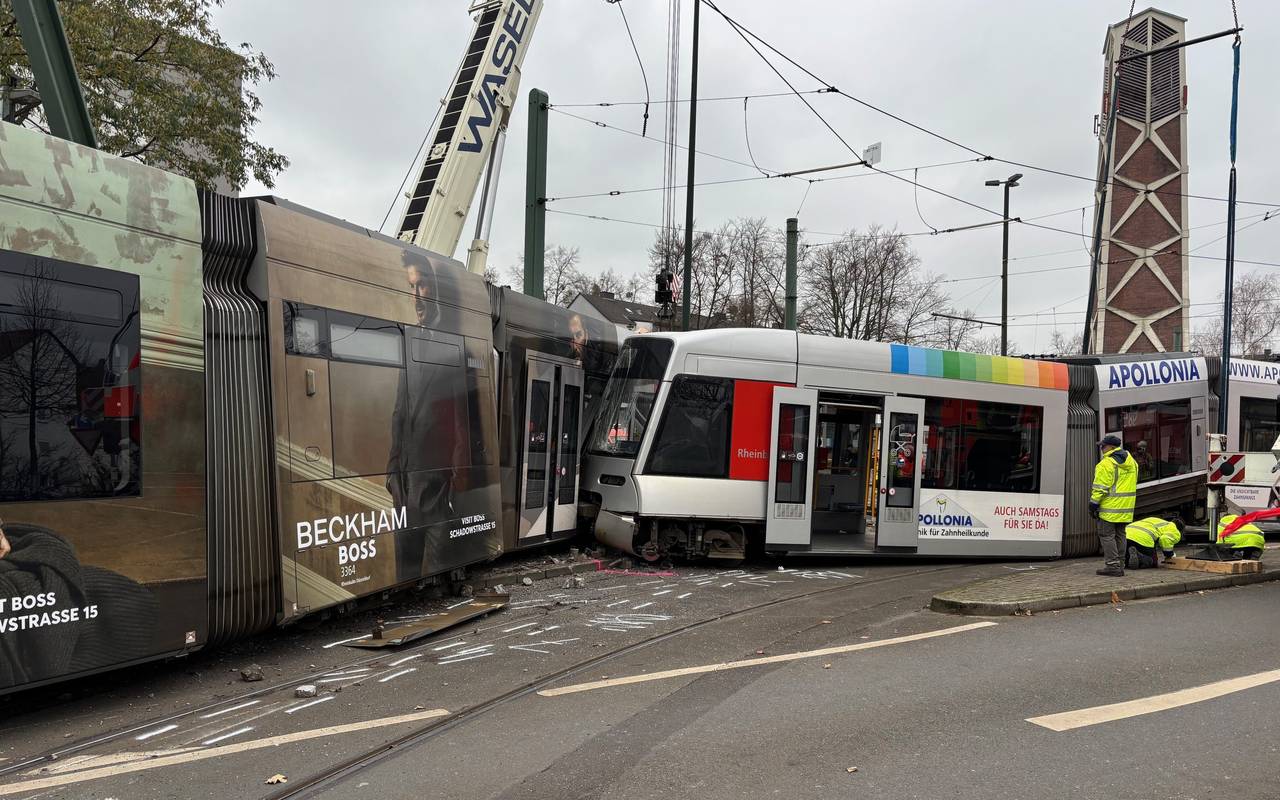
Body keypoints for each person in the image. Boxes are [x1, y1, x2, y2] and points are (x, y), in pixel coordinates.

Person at [1090, 433, 1138, 576]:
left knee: (1106, 535)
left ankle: (1112, 565)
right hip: (1126, 508)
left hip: (1109, 508)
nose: (1101, 449)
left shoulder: (1106, 464)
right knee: (1120, 535)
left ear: (1111, 447)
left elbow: (1100, 487)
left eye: (1103, 446)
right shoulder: (1132, 462)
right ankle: (1120, 564)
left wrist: (1093, 504)